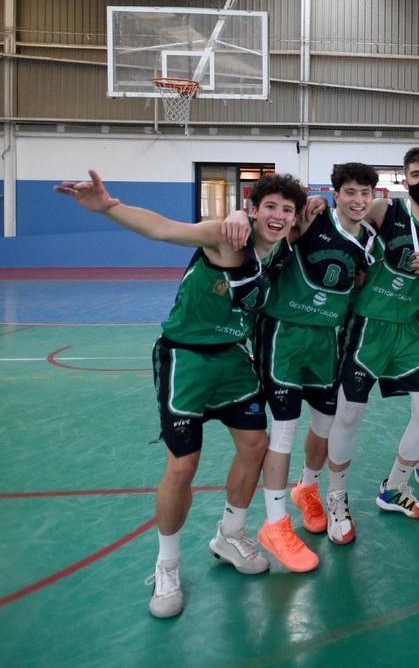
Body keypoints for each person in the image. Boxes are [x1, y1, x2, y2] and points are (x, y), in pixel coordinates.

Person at [55, 170, 305, 617]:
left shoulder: (284, 249)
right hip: (185, 358)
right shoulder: (226, 235)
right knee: (183, 465)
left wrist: (317, 207)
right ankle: (166, 564)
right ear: (253, 208)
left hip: (232, 358)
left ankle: (229, 535)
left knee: (255, 445)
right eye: (271, 206)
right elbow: (162, 228)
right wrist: (108, 206)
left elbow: (334, 215)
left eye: (287, 210)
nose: (279, 215)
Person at [227, 163, 376, 573]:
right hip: (285, 338)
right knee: (285, 431)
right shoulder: (309, 218)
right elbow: (266, 230)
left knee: (325, 424)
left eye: (366, 193)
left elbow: (359, 280)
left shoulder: (370, 242)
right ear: (336, 194)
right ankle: (274, 523)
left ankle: (306, 488)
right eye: (350, 192)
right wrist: (240, 213)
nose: (358, 200)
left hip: (326, 342)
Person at [320, 147, 419, 544]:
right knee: (348, 416)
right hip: (369, 326)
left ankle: (394, 487)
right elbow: (346, 217)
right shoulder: (383, 210)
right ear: (405, 179)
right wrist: (315, 202)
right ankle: (336, 497)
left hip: (407, 329)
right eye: (416, 174)